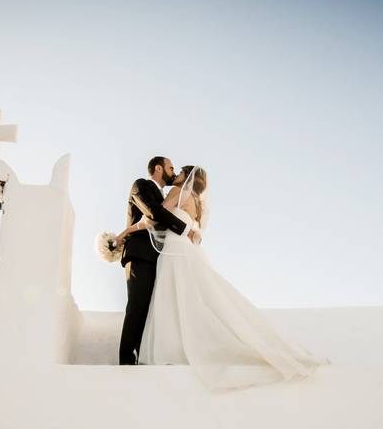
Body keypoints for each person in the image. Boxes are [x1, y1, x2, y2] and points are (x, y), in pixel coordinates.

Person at [118, 165, 326, 389]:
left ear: (186, 177)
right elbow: (194, 230)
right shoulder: (197, 202)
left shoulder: (177, 192)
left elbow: (155, 218)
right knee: (193, 297)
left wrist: (125, 232)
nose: (175, 173)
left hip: (174, 251)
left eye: (179, 171)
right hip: (188, 250)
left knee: (171, 298)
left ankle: (170, 349)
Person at [117, 156, 198, 365]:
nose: (174, 171)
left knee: (153, 308)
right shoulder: (140, 186)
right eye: (171, 167)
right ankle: (126, 361)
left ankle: (144, 356)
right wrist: (185, 229)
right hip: (140, 255)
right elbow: (154, 212)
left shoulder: (171, 195)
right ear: (159, 168)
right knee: (137, 305)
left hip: (161, 259)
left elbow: (161, 220)